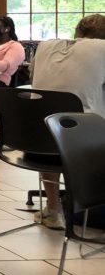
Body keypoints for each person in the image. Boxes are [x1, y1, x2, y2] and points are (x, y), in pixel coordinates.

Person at [27, 13, 105, 229]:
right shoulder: (103, 49)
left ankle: (53, 209)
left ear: (77, 33)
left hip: (37, 147)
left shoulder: (45, 47)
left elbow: (32, 76)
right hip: (85, 150)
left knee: (51, 121)